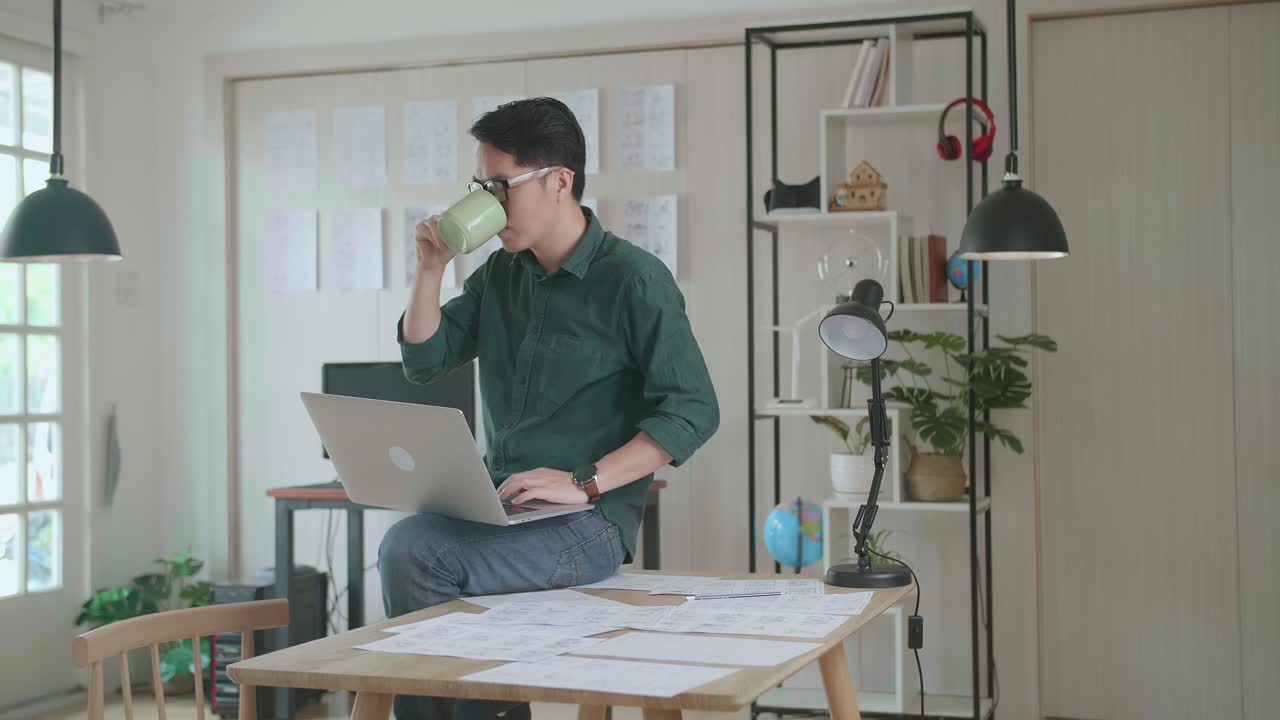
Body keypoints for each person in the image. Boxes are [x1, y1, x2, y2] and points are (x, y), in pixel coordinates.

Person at [380, 97, 720, 720]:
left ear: (560, 180)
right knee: (409, 541)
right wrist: (429, 270)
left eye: (500, 186)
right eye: (480, 186)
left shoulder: (633, 280)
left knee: (414, 552)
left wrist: (585, 483)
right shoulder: (500, 276)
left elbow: (693, 410)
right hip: (502, 506)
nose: (489, 203)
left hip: (589, 524)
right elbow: (424, 362)